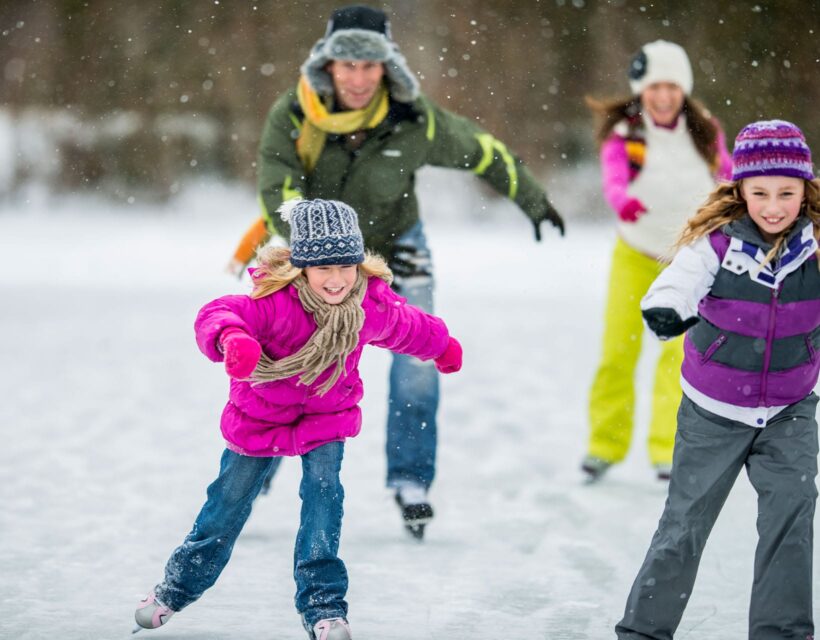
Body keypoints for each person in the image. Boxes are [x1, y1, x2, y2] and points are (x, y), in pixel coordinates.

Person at [227, 5, 564, 536]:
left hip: (399, 246)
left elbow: (483, 151)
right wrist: (319, 254)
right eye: (347, 65)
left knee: (418, 358)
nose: (358, 78)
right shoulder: (293, 114)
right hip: (313, 255)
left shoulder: (414, 117)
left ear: (387, 67)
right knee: (288, 354)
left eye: (370, 66)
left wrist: (533, 197)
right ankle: (258, 470)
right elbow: (280, 193)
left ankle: (411, 480)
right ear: (328, 65)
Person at [134, 199, 462, 640]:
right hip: (259, 419)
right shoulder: (274, 301)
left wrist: (440, 346)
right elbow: (219, 312)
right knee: (226, 506)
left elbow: (408, 325)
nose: (338, 279)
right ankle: (175, 589)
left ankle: (325, 609)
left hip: (326, 418)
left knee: (324, 506)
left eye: (347, 265)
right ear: (302, 267)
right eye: (324, 267)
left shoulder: (366, 303)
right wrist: (233, 338)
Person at [615, 120, 820, 639]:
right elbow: (677, 283)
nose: (773, 206)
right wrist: (666, 310)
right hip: (714, 412)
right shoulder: (717, 245)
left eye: (787, 193)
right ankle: (643, 632)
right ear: (740, 191)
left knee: (790, 526)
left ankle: (782, 633)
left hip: (791, 411)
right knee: (684, 525)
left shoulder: (815, 248)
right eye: (760, 193)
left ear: (805, 190)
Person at [581, 40, 732, 482]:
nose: (663, 97)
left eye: (671, 87)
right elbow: (613, 178)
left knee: (679, 357)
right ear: (641, 90)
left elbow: (728, 175)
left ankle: (667, 450)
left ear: (683, 90)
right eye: (654, 87)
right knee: (617, 352)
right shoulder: (627, 135)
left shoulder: (704, 129)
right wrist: (622, 200)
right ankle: (603, 446)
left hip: (688, 261)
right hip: (636, 255)